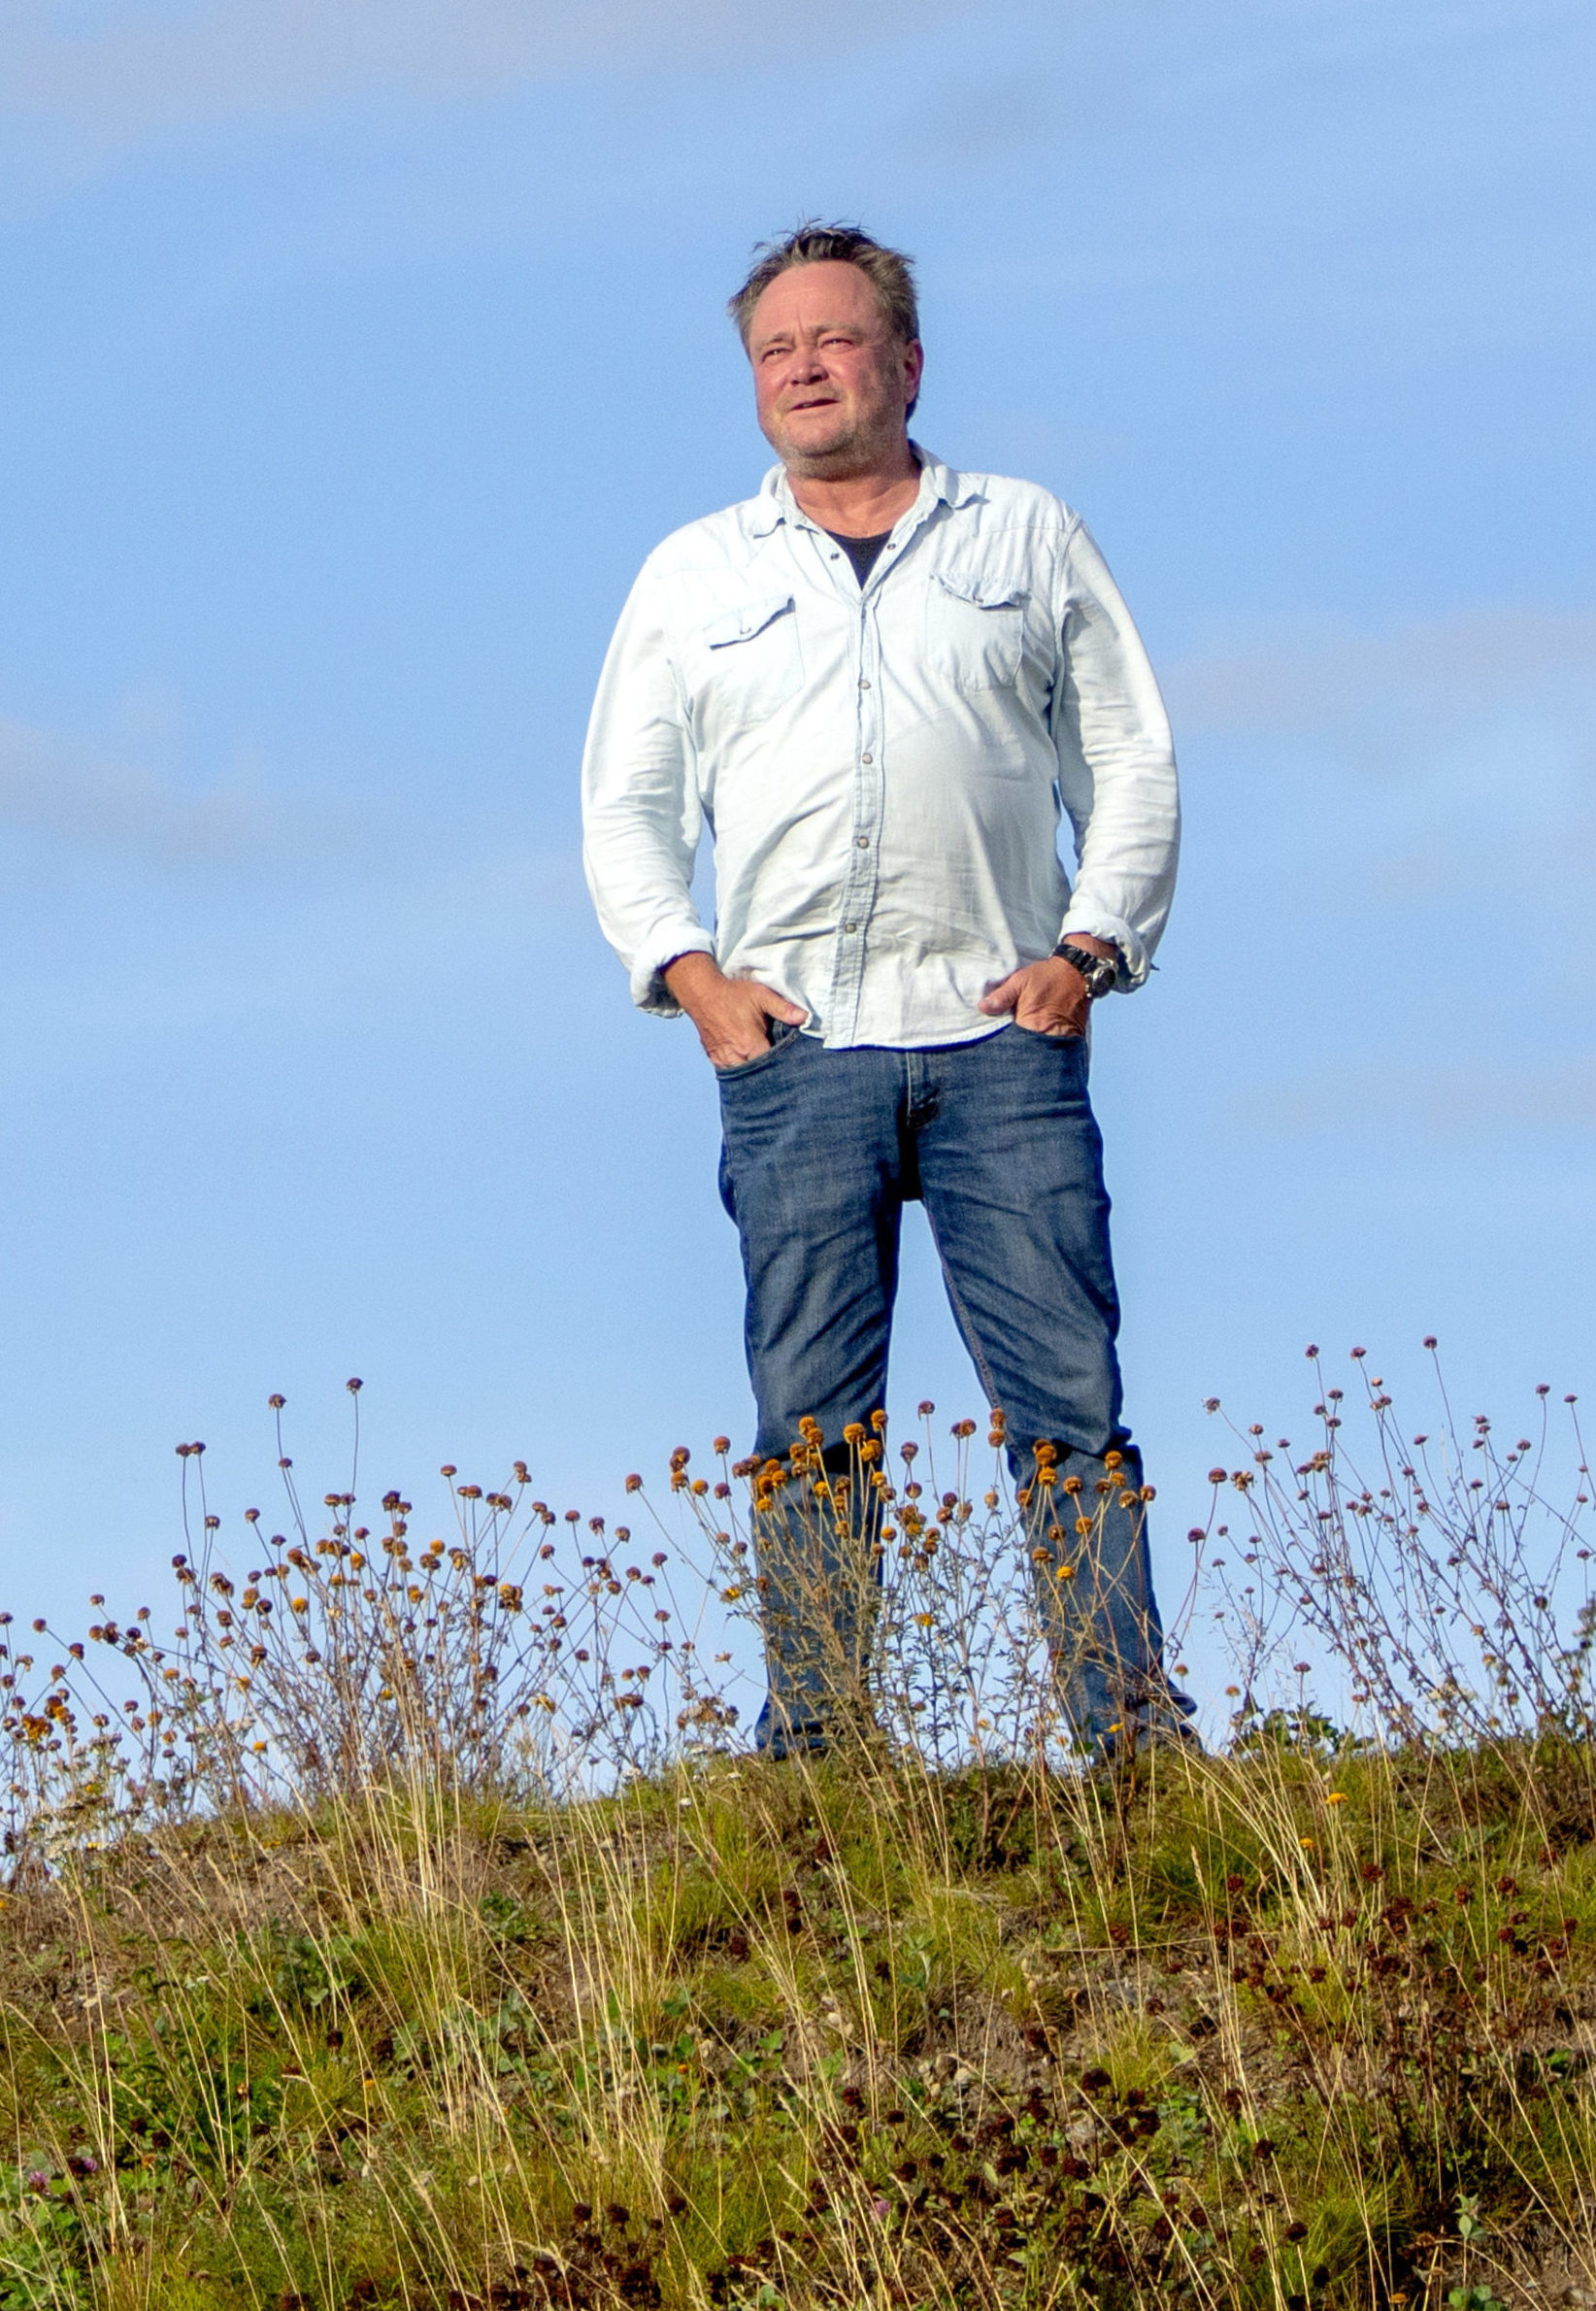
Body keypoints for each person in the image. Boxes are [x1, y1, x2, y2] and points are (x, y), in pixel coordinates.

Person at [579, 221, 1191, 1761]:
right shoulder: (694, 573)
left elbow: (1130, 762)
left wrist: (1088, 955)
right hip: (795, 1054)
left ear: (907, 363)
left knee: (1068, 1404)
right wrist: (695, 981)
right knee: (809, 1422)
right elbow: (626, 808)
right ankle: (822, 1754)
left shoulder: (1026, 537)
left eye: (834, 339)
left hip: (1002, 1041)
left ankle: (1129, 1740)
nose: (804, 369)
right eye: (775, 350)